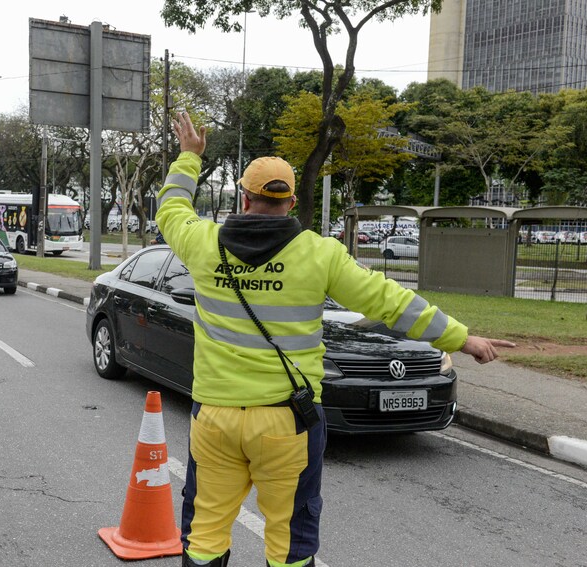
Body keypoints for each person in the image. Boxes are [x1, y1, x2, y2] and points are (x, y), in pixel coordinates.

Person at [156, 111, 515, 567]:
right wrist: (462, 338)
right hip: (288, 422)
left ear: (243, 199)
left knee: (205, 534)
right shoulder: (320, 253)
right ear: (289, 204)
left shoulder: (204, 243)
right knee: (288, 542)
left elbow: (171, 208)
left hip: (215, 419)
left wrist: (190, 157)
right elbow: (392, 303)